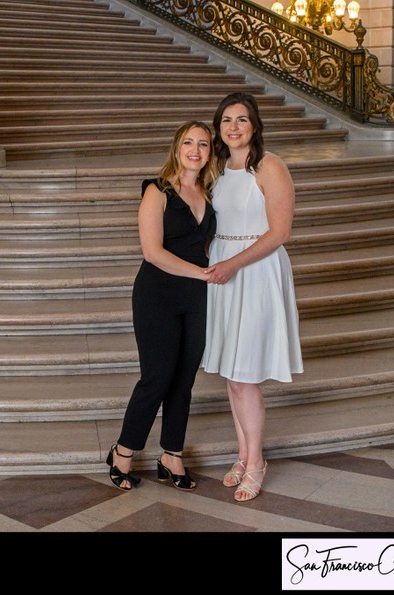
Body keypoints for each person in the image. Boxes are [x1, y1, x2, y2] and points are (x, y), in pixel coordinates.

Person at [201, 92, 304, 502]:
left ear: (255, 125)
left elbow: (279, 233)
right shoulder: (218, 167)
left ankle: (257, 461)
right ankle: (243, 455)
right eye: (226, 120)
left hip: (256, 270)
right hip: (224, 270)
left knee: (244, 374)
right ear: (219, 127)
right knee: (232, 373)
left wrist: (233, 263)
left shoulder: (270, 166)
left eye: (242, 119)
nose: (234, 127)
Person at [106, 121, 217, 492]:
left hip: (197, 296)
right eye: (189, 142)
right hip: (158, 293)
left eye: (203, 144)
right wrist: (201, 274)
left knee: (184, 381)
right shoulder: (157, 191)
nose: (195, 150)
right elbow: (152, 252)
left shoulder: (210, 191)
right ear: (177, 147)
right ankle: (123, 451)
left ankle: (171, 454)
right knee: (157, 378)